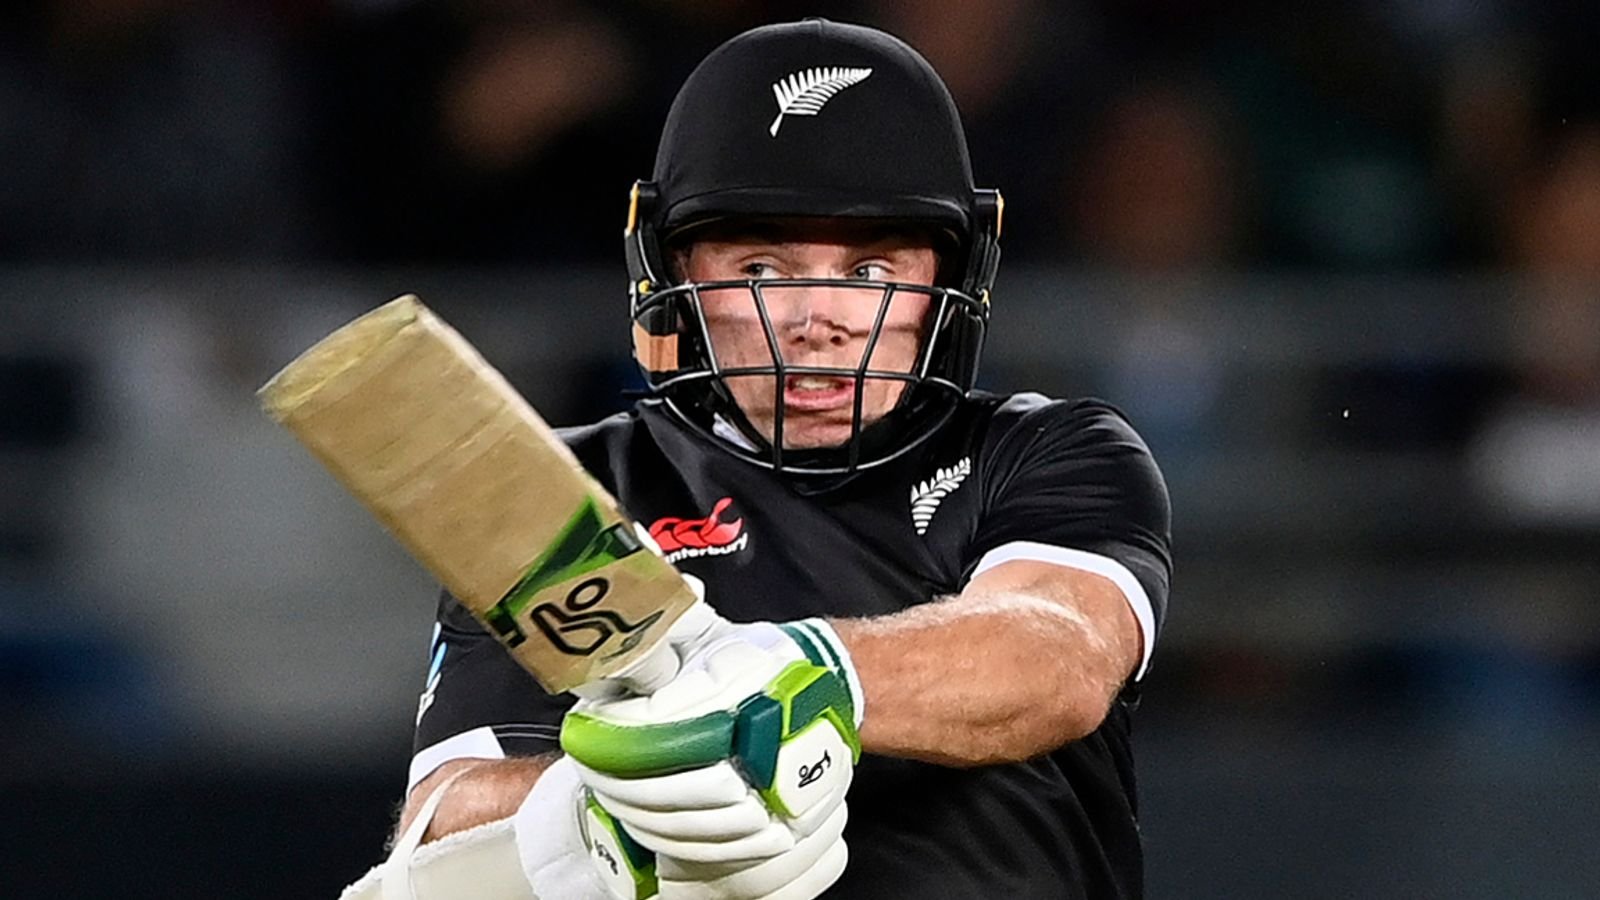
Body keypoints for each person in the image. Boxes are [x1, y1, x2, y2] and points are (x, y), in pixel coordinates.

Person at [388, 18, 1171, 900]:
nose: (816, 319)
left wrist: (786, 685)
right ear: (672, 265)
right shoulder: (565, 496)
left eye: (872, 273)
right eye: (761, 268)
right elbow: (436, 826)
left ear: (949, 282)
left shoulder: (1045, 451)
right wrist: (610, 810)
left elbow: (1057, 656)